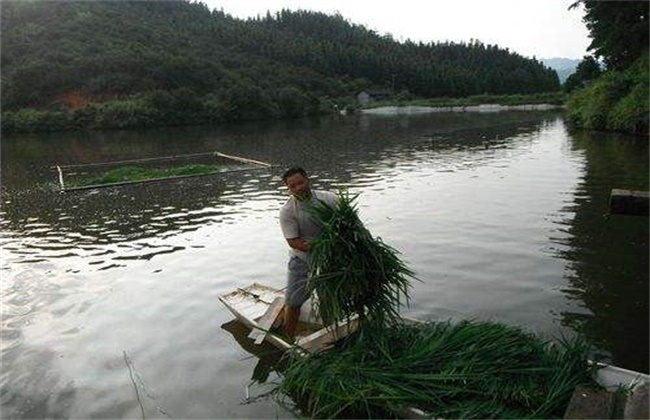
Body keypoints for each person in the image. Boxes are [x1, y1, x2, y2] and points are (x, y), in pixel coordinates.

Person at [279, 166, 337, 338]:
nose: (298, 188)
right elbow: (293, 241)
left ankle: (333, 336)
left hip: (330, 259)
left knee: (328, 300)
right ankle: (288, 340)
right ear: (288, 188)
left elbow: (349, 224)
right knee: (293, 301)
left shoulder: (329, 199)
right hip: (302, 260)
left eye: (300, 183)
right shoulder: (288, 210)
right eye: (293, 186)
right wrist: (322, 245)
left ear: (307, 180)